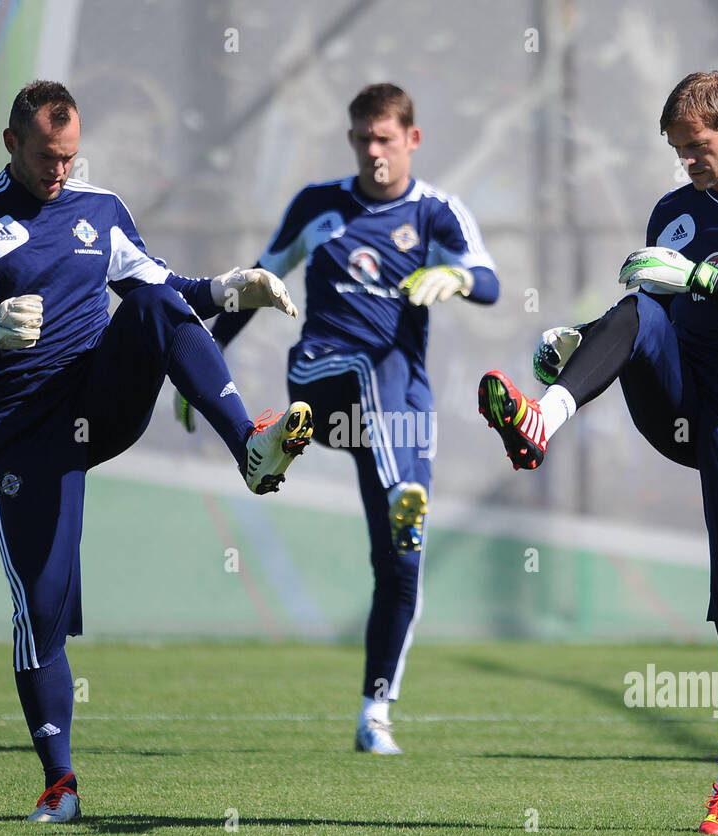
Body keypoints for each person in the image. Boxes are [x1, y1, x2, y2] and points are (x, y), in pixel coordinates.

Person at [0, 80, 314, 822]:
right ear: (10, 145)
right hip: (23, 431)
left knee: (156, 303)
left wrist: (229, 288)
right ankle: (60, 783)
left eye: (67, 156)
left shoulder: (101, 210)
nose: (57, 170)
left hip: (97, 400)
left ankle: (252, 449)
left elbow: (164, 287)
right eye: (42, 156)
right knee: (41, 612)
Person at [478, 71, 718, 834]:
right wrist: (580, 347)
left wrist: (703, 276)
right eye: (676, 151)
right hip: (679, 401)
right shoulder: (673, 210)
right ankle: (543, 416)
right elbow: (653, 310)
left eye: (696, 148)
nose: (686, 165)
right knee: (637, 308)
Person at [180, 82, 499, 753]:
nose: (373, 150)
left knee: (402, 564)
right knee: (360, 363)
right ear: (351, 139)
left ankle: (374, 712)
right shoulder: (318, 205)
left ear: (412, 139)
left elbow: (489, 279)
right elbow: (256, 287)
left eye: (386, 138)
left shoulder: (438, 212)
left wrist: (462, 279)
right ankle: (306, 446)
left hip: (398, 407)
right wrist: (200, 365)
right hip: (322, 381)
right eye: (363, 137)